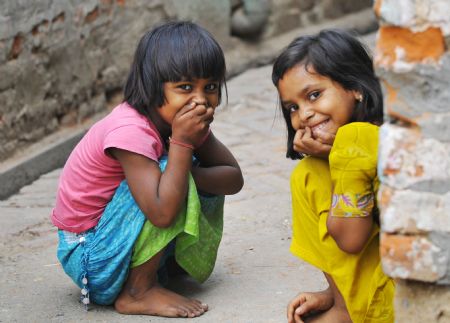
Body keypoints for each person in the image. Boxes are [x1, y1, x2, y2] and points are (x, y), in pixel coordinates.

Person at [51, 21, 243, 318]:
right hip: (91, 260)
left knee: (185, 172)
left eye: (211, 87)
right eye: (185, 87)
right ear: (153, 87)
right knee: (172, 170)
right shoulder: (130, 130)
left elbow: (232, 178)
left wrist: (186, 172)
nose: (201, 100)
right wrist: (180, 149)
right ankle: (137, 291)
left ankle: (170, 264)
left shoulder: (185, 120)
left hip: (116, 247)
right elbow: (162, 211)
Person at [272, 29, 395, 323]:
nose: (304, 115)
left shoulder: (360, 137)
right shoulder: (354, 143)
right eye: (293, 107)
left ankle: (346, 310)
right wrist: (330, 293)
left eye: (314, 95)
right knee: (308, 173)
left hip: (416, 294)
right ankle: (342, 300)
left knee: (309, 176)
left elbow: (351, 240)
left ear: (356, 87)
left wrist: (340, 155)